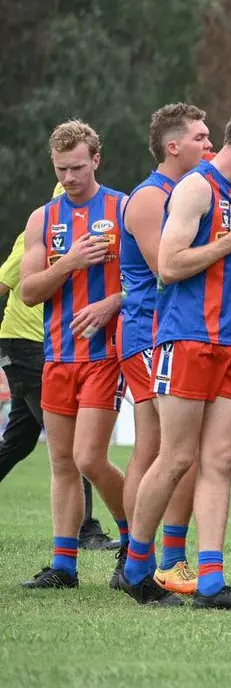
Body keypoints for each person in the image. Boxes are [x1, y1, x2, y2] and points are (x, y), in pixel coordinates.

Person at [120, 101, 231, 609]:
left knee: (220, 461)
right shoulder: (195, 187)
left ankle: (211, 581)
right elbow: (169, 266)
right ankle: (136, 567)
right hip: (188, 338)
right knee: (175, 458)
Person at [19, 122, 130, 590]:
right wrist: (68, 263)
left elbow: (155, 278)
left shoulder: (123, 208)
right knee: (61, 461)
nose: (69, 177)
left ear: (96, 160)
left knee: (89, 458)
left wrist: (112, 302)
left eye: (78, 167)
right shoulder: (42, 218)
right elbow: (28, 292)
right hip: (58, 355)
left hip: (105, 355)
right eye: (62, 168)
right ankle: (64, 566)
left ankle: (134, 541)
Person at [118, 104, 211, 595]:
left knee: (163, 449)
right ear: (173, 145)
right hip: (147, 332)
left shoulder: (179, 192)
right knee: (166, 451)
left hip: (159, 330)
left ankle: (148, 557)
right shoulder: (153, 198)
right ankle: (150, 557)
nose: (208, 145)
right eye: (200, 137)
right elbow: (165, 269)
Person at [1, 183, 114, 552]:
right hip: (28, 346)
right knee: (69, 447)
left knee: (19, 441)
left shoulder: (107, 225)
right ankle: (86, 531)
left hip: (50, 347)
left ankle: (87, 533)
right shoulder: (38, 232)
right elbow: (9, 283)